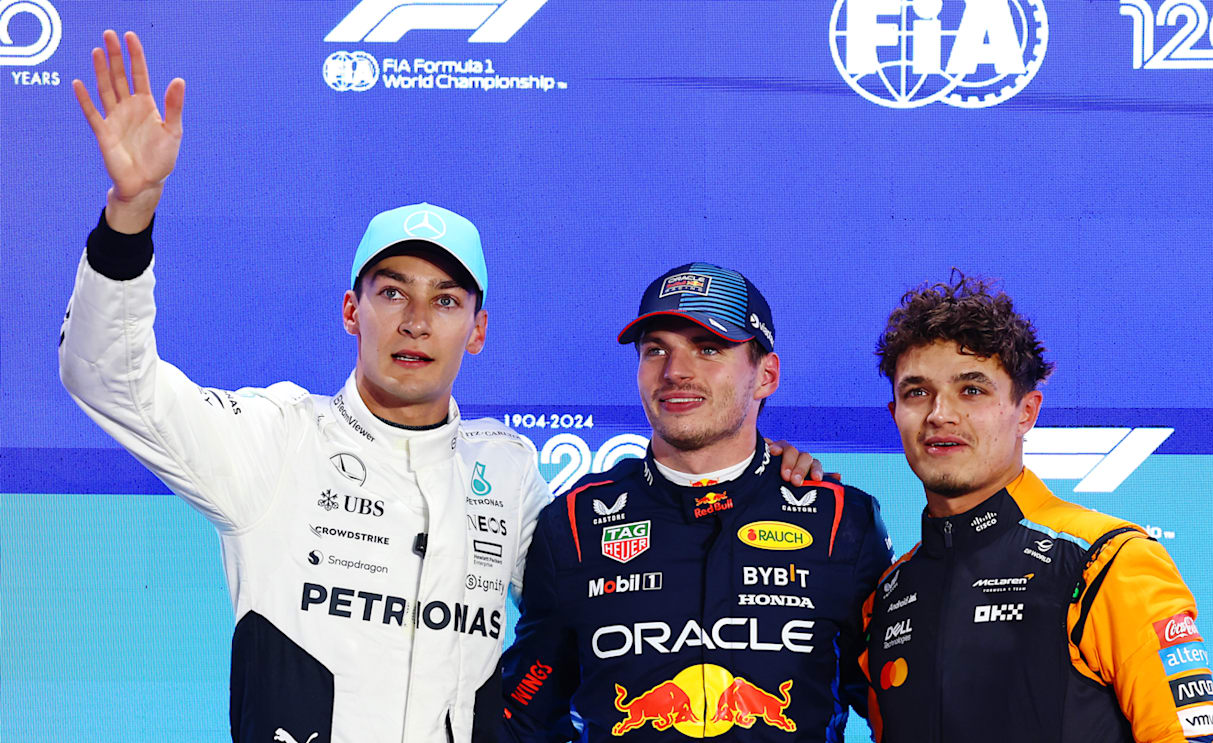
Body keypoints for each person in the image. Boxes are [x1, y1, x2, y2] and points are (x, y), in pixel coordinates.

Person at [60, 32, 826, 743]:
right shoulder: (274, 438)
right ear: (352, 311)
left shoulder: (510, 468)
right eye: (393, 292)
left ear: (479, 329)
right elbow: (105, 374)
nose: (417, 322)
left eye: (447, 300)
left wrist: (758, 473)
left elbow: (615, 584)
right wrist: (130, 213)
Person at [497, 263, 895, 741]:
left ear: (766, 375)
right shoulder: (575, 524)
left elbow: (894, 708)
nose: (675, 371)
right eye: (655, 350)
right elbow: (523, 712)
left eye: (709, 349)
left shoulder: (842, 522)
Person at [863, 273, 1213, 743]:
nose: (940, 414)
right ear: (895, 415)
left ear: (1026, 412)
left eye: (971, 390)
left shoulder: (1106, 561)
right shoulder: (888, 594)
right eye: (917, 392)